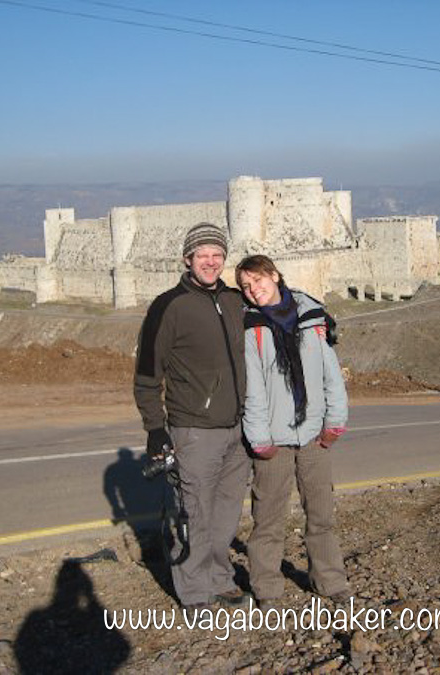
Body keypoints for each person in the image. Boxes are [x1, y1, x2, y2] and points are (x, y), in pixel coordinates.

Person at [133, 222, 249, 612]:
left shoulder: (235, 300)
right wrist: (155, 429)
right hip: (194, 431)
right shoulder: (168, 306)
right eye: (203, 255)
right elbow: (148, 373)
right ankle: (195, 593)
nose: (211, 262)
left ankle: (220, 578)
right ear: (187, 259)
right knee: (193, 514)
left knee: (227, 512)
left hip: (238, 429)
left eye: (217, 255)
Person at [235, 254, 351, 610]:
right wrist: (258, 438)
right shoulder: (250, 327)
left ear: (274, 275)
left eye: (257, 280)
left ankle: (329, 581)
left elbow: (330, 373)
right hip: (274, 440)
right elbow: (251, 388)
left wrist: (335, 421)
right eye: (246, 286)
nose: (253, 290)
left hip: (314, 434)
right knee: (268, 518)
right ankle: (267, 588)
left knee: (321, 514)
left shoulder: (313, 316)